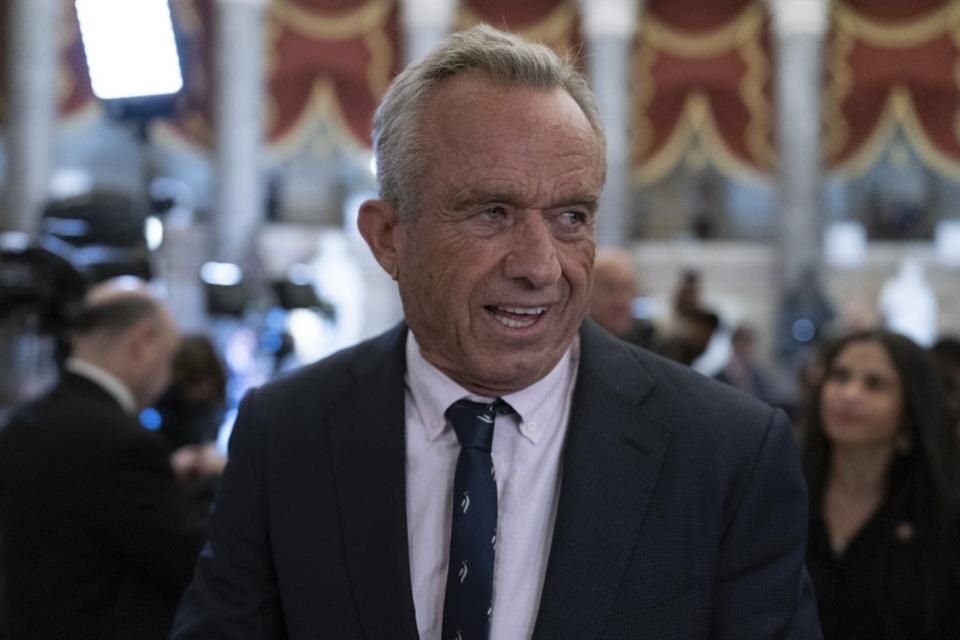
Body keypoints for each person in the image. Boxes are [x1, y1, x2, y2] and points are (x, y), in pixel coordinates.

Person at [172, 25, 820, 639]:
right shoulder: (287, 433)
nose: (540, 266)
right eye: (491, 212)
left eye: (572, 216)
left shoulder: (727, 453)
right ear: (388, 237)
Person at [0, 278, 206, 640]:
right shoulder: (125, 444)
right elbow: (191, 562)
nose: (169, 377)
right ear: (143, 342)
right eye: (171, 358)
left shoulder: (24, 422)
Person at [802, 330, 960, 639]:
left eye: (874, 384)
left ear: (910, 407)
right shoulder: (780, 491)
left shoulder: (942, 513)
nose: (849, 394)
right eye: (839, 376)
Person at [589, 247, 656, 349]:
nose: (621, 299)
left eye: (627, 288)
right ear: (588, 291)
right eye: (610, 287)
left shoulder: (649, 346)